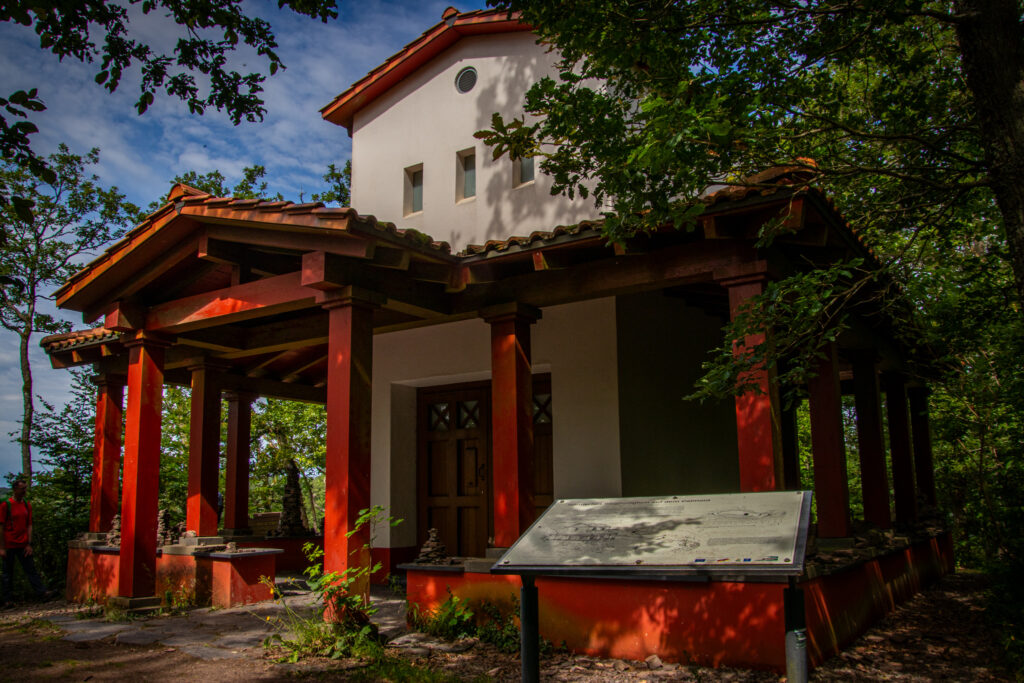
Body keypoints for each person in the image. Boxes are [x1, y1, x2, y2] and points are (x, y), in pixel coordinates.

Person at [0, 476, 51, 608]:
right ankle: (7, 600)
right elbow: (1, 526)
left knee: (31, 569)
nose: (24, 491)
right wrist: (2, 547)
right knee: (7, 572)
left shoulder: (26, 505)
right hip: (9, 543)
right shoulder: (6, 505)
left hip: (23, 544)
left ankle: (42, 593)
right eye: (22, 489)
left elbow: (29, 524)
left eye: (25, 489)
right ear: (15, 489)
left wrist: (29, 543)